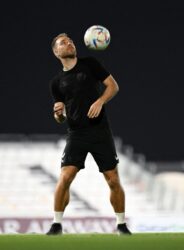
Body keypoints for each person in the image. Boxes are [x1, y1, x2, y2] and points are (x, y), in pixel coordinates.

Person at [46, 33, 131, 235]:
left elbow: (113, 86)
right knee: (65, 178)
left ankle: (121, 225)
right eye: (63, 43)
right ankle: (56, 224)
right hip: (76, 134)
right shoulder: (56, 83)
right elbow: (61, 117)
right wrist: (58, 115)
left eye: (71, 41)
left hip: (100, 131)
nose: (69, 43)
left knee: (113, 180)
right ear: (56, 52)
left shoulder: (90, 64)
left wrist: (100, 101)